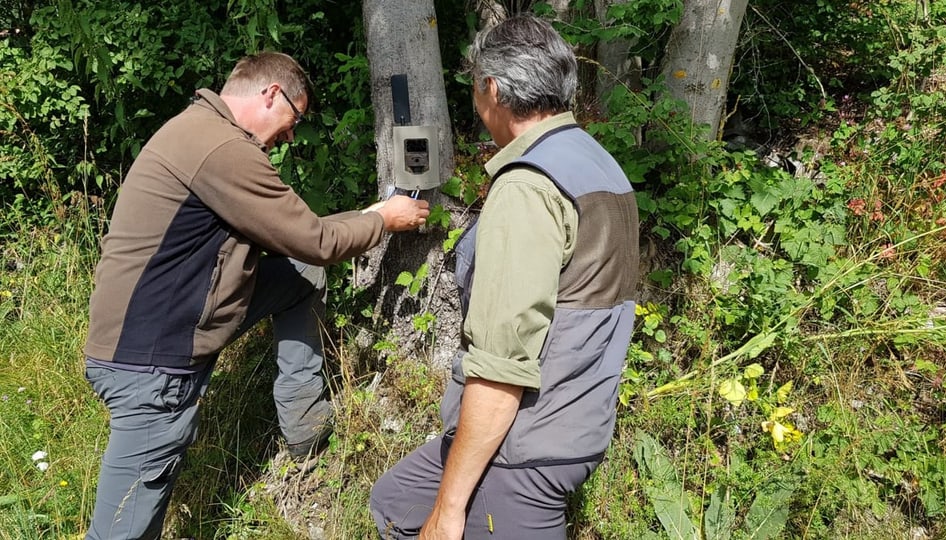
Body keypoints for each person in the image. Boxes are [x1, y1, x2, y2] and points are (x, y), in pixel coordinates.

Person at [82, 51, 429, 540]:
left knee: (298, 274)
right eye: (295, 119)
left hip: (165, 332)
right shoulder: (223, 151)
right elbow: (318, 240)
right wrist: (383, 222)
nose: (291, 136)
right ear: (271, 94)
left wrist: (369, 214)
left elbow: (300, 241)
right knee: (122, 531)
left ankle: (305, 429)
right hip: (151, 363)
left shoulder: (198, 131)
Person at [369, 14, 640, 540]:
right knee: (395, 501)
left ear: (492, 89)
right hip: (577, 425)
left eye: (475, 88)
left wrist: (449, 510)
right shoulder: (597, 162)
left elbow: (501, 367)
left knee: (428, 517)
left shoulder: (528, 187)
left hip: (524, 451)